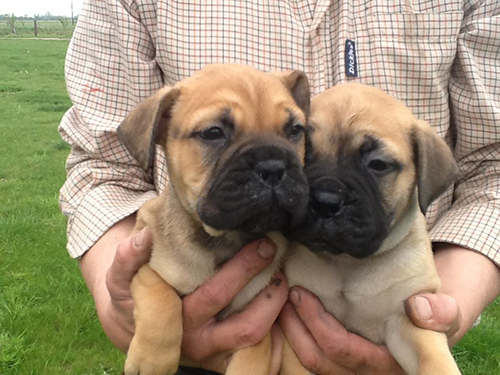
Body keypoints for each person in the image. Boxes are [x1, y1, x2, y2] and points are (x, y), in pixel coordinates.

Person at [59, 1, 500, 374]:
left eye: (293, 133)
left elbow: (492, 166)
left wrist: (440, 313)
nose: (274, 167)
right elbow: (102, 165)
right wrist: (120, 303)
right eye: (215, 134)